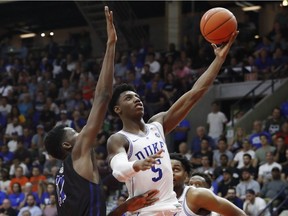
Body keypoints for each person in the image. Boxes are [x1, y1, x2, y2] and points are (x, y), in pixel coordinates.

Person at [44, 6, 159, 216]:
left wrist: (124, 207)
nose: (85, 133)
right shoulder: (78, 154)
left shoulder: (64, 177)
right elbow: (103, 96)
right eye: (77, 133)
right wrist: (111, 44)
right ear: (68, 145)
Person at [107, 31, 238, 215]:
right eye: (128, 98)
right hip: (145, 211)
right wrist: (136, 165)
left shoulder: (157, 124)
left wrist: (218, 61)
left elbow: (194, 95)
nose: (137, 100)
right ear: (117, 110)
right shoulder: (119, 139)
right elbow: (119, 170)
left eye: (137, 97)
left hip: (171, 209)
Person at [170, 153, 246, 216]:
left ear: (186, 176)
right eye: (168, 169)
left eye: (176, 169)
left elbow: (239, 214)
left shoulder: (197, 195)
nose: (171, 173)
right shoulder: (159, 197)